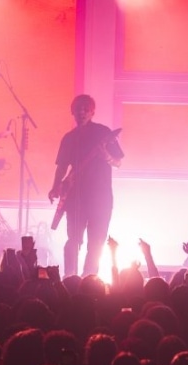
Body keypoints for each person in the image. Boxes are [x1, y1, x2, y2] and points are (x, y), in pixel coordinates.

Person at [48, 94, 124, 277]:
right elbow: (62, 167)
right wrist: (55, 186)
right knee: (73, 240)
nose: (81, 112)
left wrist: (106, 156)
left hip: (101, 197)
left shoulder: (104, 133)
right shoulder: (68, 138)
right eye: (78, 109)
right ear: (72, 112)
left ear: (92, 112)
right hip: (76, 198)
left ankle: (89, 280)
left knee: (96, 242)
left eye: (85, 109)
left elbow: (118, 162)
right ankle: (70, 277)